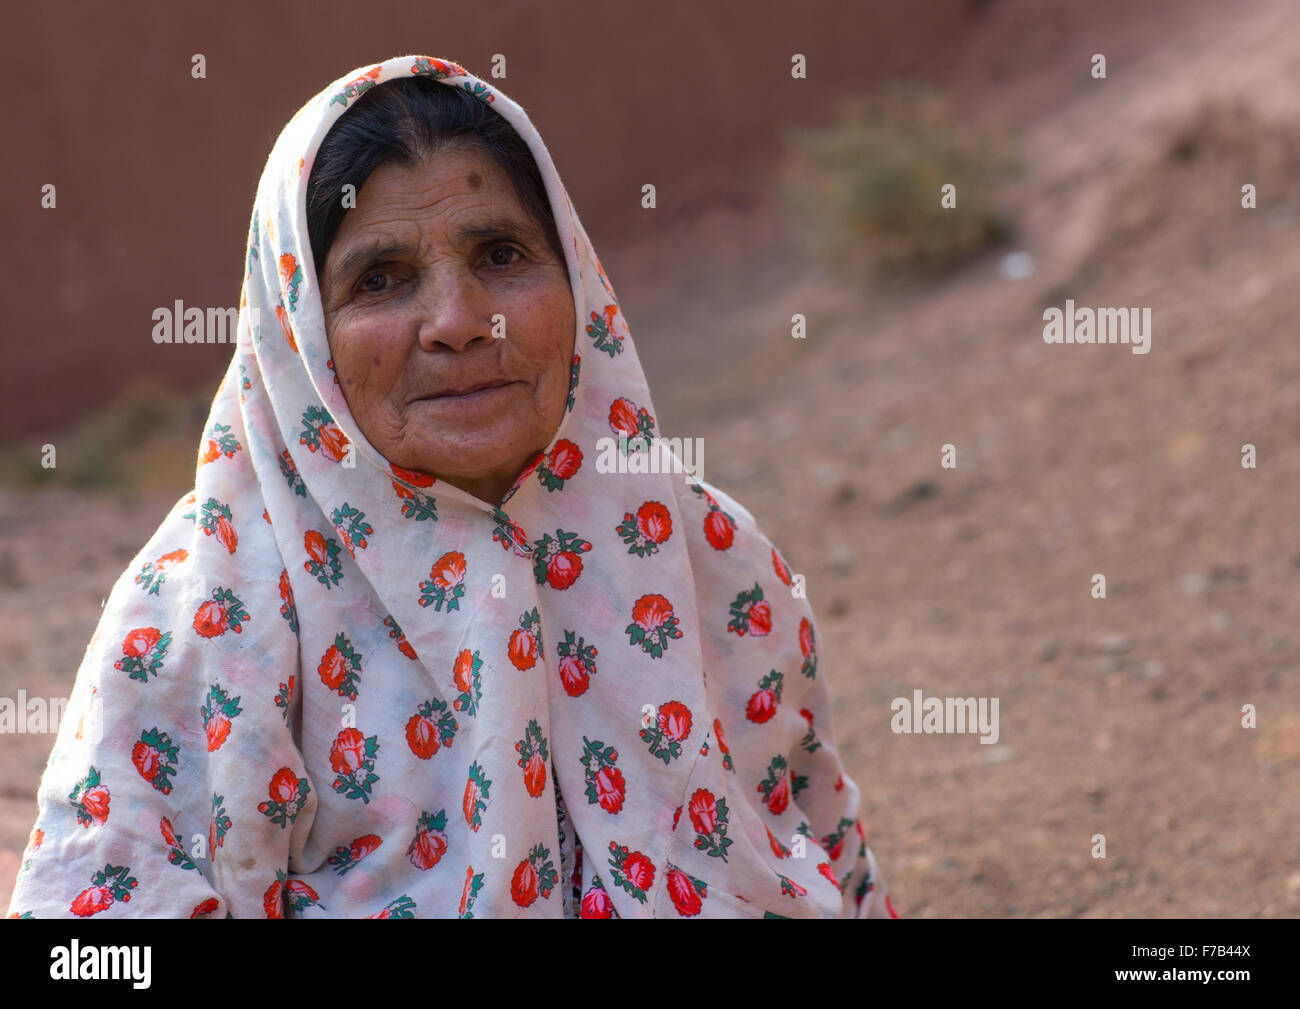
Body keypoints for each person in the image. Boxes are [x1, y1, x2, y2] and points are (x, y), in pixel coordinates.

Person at [6, 54, 896, 919]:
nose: (460, 322)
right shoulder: (202, 611)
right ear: (302, 334)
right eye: (380, 279)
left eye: (501, 255)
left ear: (577, 281)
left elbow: (827, 848)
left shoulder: (710, 560)